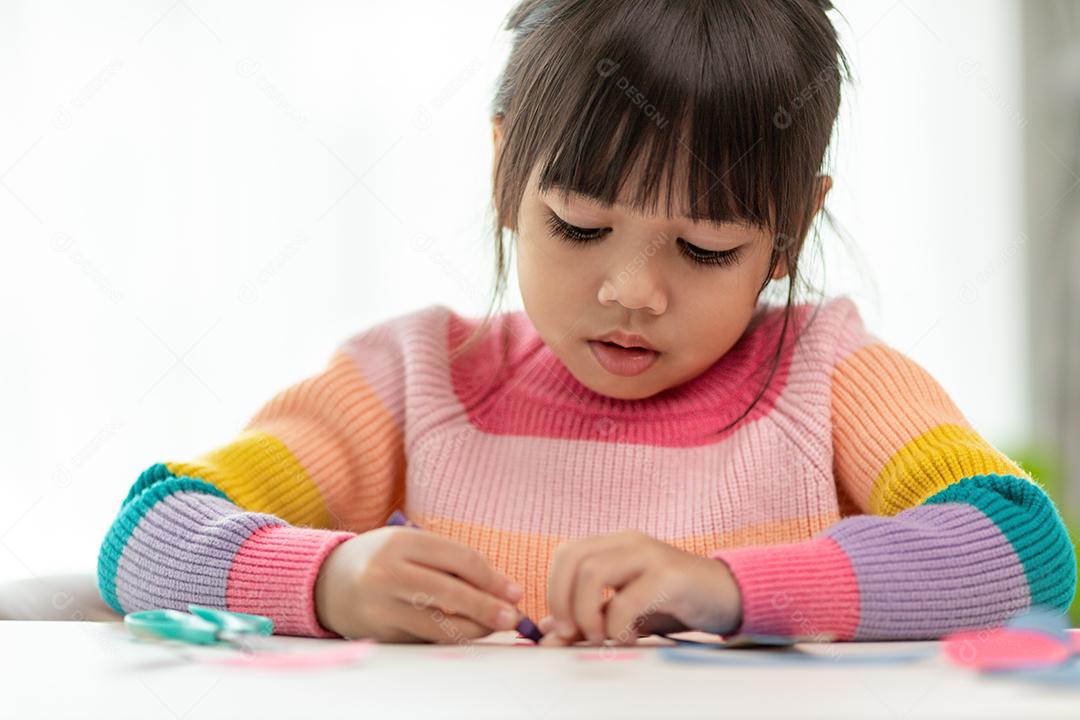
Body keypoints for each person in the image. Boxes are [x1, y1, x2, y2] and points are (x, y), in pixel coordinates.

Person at [96, 0, 1076, 645]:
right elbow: (148, 533)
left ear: (790, 233)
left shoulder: (830, 376)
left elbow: (1024, 551)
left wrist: (728, 590)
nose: (633, 292)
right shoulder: (408, 382)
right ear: (502, 173)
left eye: (705, 249)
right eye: (580, 225)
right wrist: (328, 579)